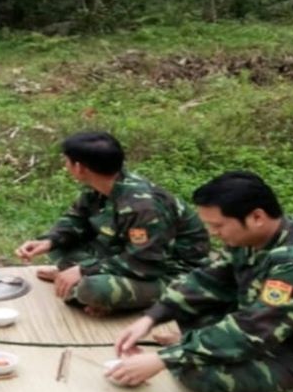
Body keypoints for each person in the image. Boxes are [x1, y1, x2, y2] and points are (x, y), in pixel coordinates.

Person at [107, 171, 293, 392]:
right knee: (193, 315)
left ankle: (194, 349)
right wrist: (150, 318)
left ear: (257, 217)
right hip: (280, 333)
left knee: (199, 374)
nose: (214, 233)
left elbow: (253, 329)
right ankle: (197, 344)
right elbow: (206, 280)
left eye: (219, 225)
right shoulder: (253, 239)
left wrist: (166, 359)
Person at [14, 131, 210, 315]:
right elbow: (77, 218)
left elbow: (145, 262)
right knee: (59, 247)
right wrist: (49, 241)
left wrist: (84, 270)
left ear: (79, 167)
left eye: (66, 161)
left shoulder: (142, 206)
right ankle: (76, 280)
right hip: (123, 253)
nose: (65, 165)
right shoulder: (102, 183)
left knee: (93, 290)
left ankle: (95, 291)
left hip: (170, 272)